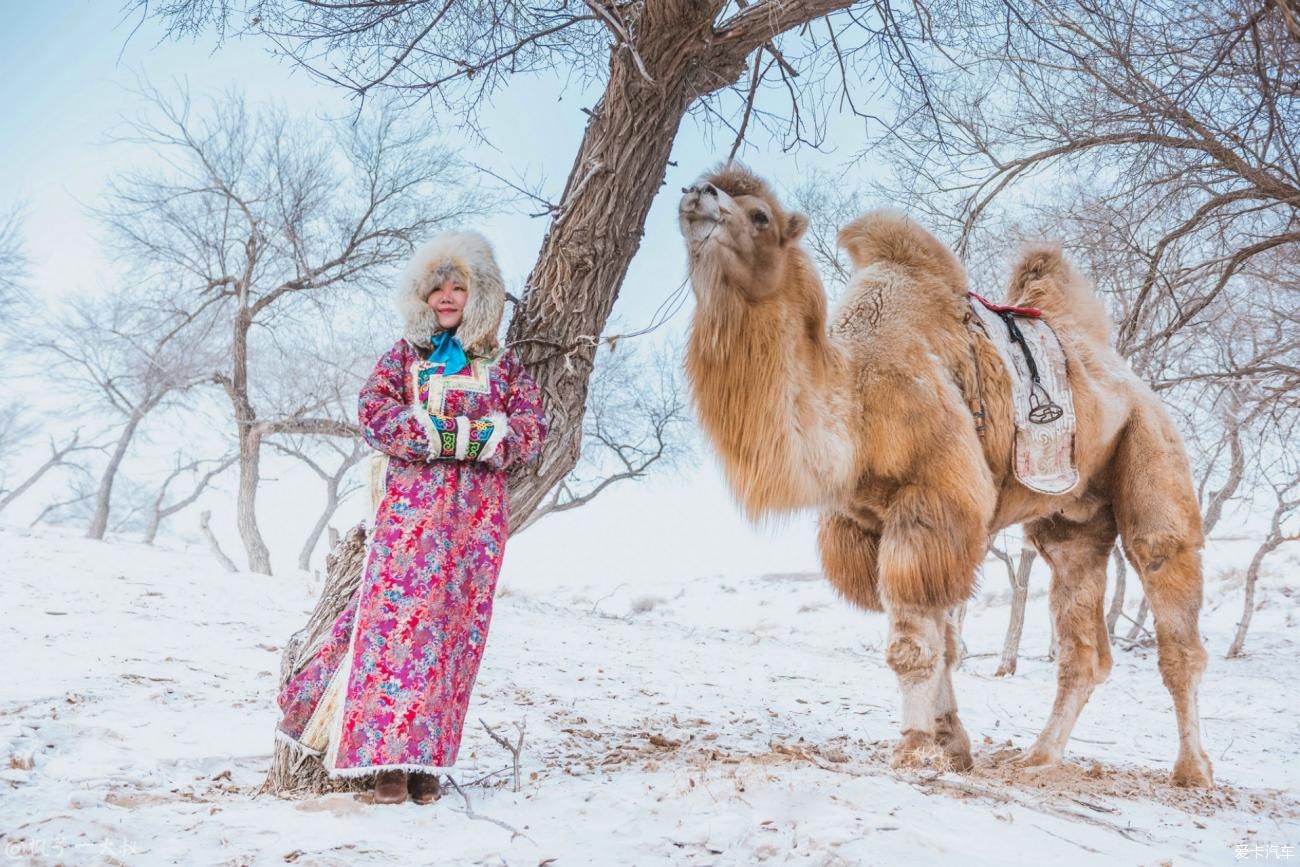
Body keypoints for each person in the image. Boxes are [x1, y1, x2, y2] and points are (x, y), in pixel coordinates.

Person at [275, 230, 548, 805]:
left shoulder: (504, 366)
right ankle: (386, 767)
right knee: (395, 634)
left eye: (459, 286)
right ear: (420, 297)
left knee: (453, 636)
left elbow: (529, 433)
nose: (446, 296)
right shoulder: (405, 357)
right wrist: (431, 434)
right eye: (436, 288)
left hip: (474, 525)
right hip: (410, 517)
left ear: (481, 294)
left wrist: (478, 439)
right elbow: (373, 412)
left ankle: (428, 764)